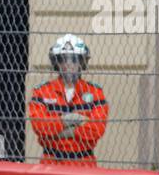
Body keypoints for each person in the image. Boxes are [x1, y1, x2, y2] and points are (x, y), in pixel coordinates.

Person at [29, 34, 108, 165]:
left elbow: (96, 130)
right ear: (56, 63)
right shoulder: (42, 92)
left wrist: (59, 131)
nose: (68, 64)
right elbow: (40, 127)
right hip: (51, 161)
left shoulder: (95, 93)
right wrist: (72, 120)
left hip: (84, 163)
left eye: (74, 59)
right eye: (63, 59)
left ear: (82, 62)